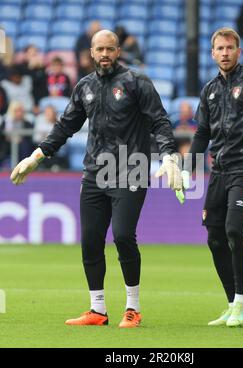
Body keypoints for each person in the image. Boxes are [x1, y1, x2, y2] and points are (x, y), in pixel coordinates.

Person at [10, 30, 182, 328]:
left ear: (118, 52)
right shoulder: (84, 87)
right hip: (94, 173)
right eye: (99, 49)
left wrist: (169, 155)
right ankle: (97, 310)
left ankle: (133, 308)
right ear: (91, 52)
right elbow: (65, 127)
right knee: (90, 241)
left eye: (110, 49)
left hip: (132, 169)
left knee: (124, 235)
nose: (105, 54)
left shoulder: (137, 82)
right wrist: (35, 157)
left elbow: (160, 121)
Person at [177, 28, 243, 327]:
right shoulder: (209, 90)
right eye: (219, 48)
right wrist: (187, 169)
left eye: (230, 48)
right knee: (215, 239)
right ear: (212, 53)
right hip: (218, 172)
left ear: (239, 51)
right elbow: (202, 133)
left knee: (234, 231)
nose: (224, 53)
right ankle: (232, 304)